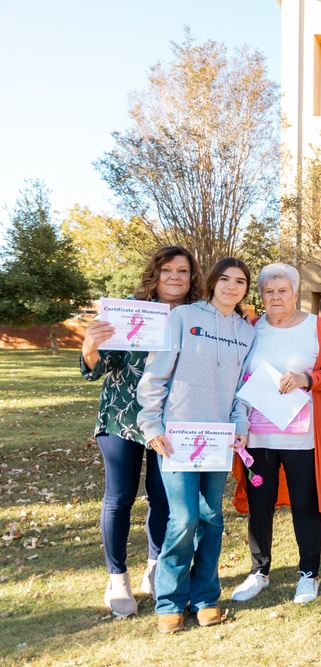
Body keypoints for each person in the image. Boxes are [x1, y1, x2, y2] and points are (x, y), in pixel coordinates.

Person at [80, 246, 203, 618]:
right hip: (122, 418)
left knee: (162, 496)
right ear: (155, 274)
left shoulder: (196, 315)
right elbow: (99, 367)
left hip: (172, 420)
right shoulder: (129, 312)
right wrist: (90, 347)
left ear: (192, 277)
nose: (175, 277)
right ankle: (117, 578)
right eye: (167, 270)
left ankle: (155, 566)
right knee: (119, 497)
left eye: (183, 270)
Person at [137, 257, 255, 634]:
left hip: (218, 439)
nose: (231, 286)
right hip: (177, 438)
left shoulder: (248, 332)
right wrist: (151, 423)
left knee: (211, 518)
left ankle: (205, 597)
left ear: (245, 289)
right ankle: (169, 600)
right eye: (225, 279)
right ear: (213, 282)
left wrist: (240, 423)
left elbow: (243, 389)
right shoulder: (184, 317)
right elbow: (156, 373)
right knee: (184, 517)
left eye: (240, 281)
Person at [230, 263, 321, 605]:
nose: (275, 297)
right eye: (268, 291)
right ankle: (259, 572)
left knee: (304, 505)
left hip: (302, 437)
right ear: (260, 295)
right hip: (258, 438)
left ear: (295, 293)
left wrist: (307, 379)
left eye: (283, 291)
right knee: (259, 505)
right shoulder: (251, 327)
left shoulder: (315, 326)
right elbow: (239, 378)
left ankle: (308, 574)